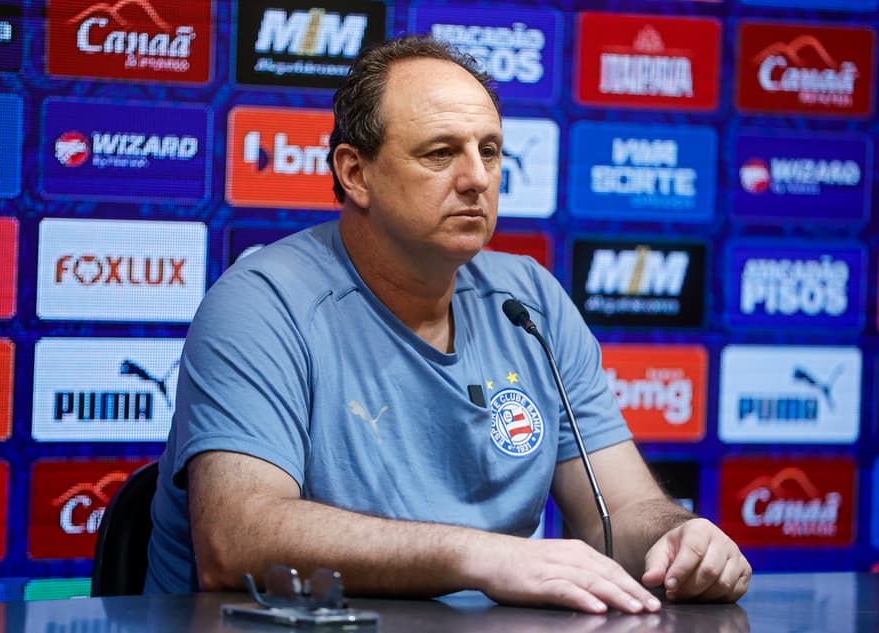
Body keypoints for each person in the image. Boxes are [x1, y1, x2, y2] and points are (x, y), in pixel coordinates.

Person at [145, 34, 751, 614]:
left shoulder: (530, 299)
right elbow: (236, 541)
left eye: (488, 150)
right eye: (441, 153)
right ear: (356, 174)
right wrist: (481, 556)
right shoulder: (263, 303)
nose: (478, 179)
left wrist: (680, 539)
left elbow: (616, 512)